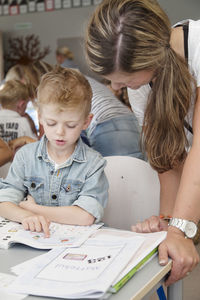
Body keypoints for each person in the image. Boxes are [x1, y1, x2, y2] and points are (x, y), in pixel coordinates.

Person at [85, 0, 200, 286]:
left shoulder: (197, 46)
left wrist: (179, 231)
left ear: (151, 60)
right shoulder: (141, 86)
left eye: (123, 80)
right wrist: (169, 221)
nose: (115, 88)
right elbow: (168, 159)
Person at [0, 66, 108, 237]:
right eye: (51, 123)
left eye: (71, 125)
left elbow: (85, 216)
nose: (60, 132)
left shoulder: (93, 163)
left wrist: (34, 209)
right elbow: (3, 202)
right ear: (40, 117)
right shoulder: (25, 157)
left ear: (86, 122)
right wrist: (25, 215)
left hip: (76, 247)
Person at [85, 75, 144, 159]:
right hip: (130, 121)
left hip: (107, 124)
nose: (117, 89)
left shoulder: (64, 80)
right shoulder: (82, 78)